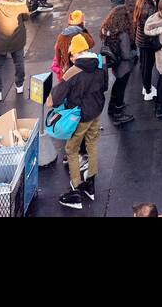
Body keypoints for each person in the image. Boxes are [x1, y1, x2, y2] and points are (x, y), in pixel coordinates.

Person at [53, 35, 107, 209]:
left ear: (76, 53)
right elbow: (105, 86)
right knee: (91, 144)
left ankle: (75, 188)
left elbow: (57, 97)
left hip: (80, 116)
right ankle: (90, 182)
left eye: (71, 54)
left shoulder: (73, 72)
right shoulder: (100, 64)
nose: (71, 57)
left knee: (71, 149)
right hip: (96, 111)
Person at [100, 4, 138, 126]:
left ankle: (112, 106)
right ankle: (118, 113)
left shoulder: (108, 30)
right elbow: (126, 54)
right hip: (124, 66)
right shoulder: (123, 35)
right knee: (121, 88)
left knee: (117, 85)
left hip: (115, 64)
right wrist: (135, 53)